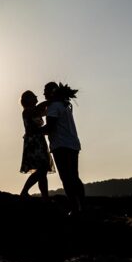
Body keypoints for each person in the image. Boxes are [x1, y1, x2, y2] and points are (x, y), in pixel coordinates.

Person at [41, 81, 84, 214]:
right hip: (72, 144)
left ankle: (75, 208)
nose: (43, 93)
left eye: (45, 91)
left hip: (61, 145)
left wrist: (35, 131)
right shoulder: (64, 105)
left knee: (66, 177)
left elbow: (50, 127)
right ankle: (82, 206)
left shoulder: (53, 107)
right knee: (74, 177)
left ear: (51, 92)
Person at [19, 90, 54, 198]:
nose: (36, 97)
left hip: (38, 141)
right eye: (34, 96)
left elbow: (42, 111)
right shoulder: (28, 111)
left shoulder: (33, 111)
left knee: (42, 172)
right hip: (34, 143)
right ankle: (24, 192)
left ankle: (45, 197)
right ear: (29, 99)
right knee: (42, 169)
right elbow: (40, 108)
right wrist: (52, 100)